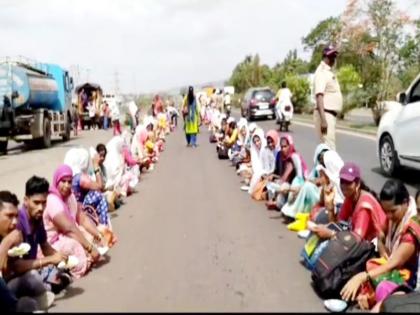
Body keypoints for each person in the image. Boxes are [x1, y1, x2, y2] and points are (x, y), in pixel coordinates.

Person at [340, 180, 419, 312]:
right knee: (364, 265)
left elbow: (393, 263)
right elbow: (380, 236)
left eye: (393, 211)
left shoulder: (411, 231)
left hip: (406, 279)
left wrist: (363, 276)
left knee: (380, 286)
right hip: (391, 266)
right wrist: (383, 255)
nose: (388, 216)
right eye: (385, 211)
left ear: (405, 203)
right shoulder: (393, 217)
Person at [10, 177, 71, 298]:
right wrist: (49, 260)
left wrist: (60, 258)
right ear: (26, 200)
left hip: (32, 270)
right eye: (36, 203)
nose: (41, 208)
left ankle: (46, 289)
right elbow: (16, 267)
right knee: (35, 278)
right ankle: (44, 292)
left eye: (44, 203)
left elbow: (45, 246)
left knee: (63, 275)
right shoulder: (17, 223)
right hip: (14, 279)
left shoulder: (37, 219)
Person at [43, 165, 104, 279]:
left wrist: (98, 234)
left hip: (68, 233)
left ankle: (86, 259)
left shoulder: (70, 197)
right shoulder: (52, 200)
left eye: (69, 182)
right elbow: (69, 229)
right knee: (75, 246)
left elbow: (82, 218)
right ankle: (68, 270)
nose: (66, 185)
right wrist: (89, 248)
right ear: (57, 181)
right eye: (63, 181)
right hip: (52, 241)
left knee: (94, 236)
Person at [309, 162, 387, 242]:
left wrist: (330, 233)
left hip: (376, 245)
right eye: (342, 181)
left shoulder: (364, 206)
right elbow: (338, 225)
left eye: (348, 182)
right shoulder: (350, 198)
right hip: (360, 240)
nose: (344, 186)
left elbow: (356, 240)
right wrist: (330, 208)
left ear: (357, 184)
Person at [0, 191, 44, 312]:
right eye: (9, 216)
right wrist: (6, 244)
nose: (15, 222)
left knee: (32, 280)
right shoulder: (8, 239)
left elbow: (16, 267)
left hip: (8, 288)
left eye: (16, 216)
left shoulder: (10, 234)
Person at [265, 135, 308, 211]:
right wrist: (274, 177)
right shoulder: (282, 157)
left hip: (297, 188)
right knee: (271, 184)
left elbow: (299, 178)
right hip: (289, 186)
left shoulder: (294, 158)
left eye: (285, 146)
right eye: (281, 147)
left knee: (280, 197)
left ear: (290, 146)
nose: (283, 149)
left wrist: (285, 186)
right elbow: (282, 176)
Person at [313, 45, 343, 151]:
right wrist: (323, 120)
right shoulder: (321, 72)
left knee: (326, 149)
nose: (333, 59)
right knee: (330, 150)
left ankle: (324, 167)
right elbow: (319, 96)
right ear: (325, 57)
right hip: (325, 114)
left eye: (334, 56)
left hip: (329, 114)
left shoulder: (328, 72)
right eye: (331, 56)